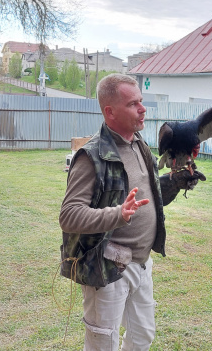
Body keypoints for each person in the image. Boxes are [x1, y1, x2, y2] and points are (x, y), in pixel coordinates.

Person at [59, 73, 164, 350]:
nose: (142, 109)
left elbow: (145, 199)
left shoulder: (139, 144)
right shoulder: (91, 156)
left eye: (141, 101)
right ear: (110, 111)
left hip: (142, 263)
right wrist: (117, 214)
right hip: (107, 266)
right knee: (102, 344)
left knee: (142, 336)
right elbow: (69, 215)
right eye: (133, 104)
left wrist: (176, 183)